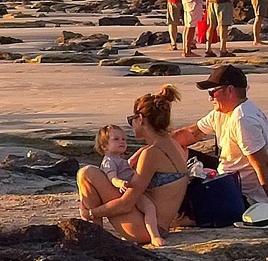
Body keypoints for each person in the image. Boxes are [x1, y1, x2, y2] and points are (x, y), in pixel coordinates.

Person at [172, 65, 268, 217]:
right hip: (227, 179)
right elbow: (191, 133)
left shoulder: (243, 119)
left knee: (173, 193)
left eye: (212, 92)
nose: (210, 98)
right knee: (177, 151)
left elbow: (262, 164)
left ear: (230, 90)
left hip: (242, 197)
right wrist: (153, 147)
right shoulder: (223, 112)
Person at [77, 85, 189, 247]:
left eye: (132, 120)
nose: (131, 125)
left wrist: (91, 212)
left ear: (141, 119)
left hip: (142, 229)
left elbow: (126, 204)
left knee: (86, 173)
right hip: (160, 226)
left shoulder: (151, 153)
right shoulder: (173, 144)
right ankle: (96, 232)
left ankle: (95, 231)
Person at [93, 124, 164, 246]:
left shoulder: (117, 159)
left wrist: (140, 153)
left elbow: (128, 164)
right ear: (104, 146)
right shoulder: (108, 162)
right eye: (116, 139)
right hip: (128, 190)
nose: (122, 142)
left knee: (147, 209)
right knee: (149, 208)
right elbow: (112, 177)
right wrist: (121, 183)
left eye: (124, 139)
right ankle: (154, 236)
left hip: (135, 188)